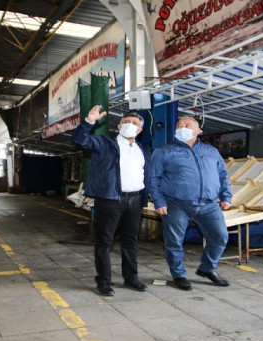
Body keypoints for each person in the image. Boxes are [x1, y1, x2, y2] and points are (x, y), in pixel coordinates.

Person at [71, 105, 150, 296]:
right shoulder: (105, 143)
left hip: (136, 200)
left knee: (130, 241)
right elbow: (79, 140)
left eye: (135, 124)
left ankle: (131, 279)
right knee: (104, 241)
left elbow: (146, 174)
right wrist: (89, 121)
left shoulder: (143, 149)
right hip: (111, 199)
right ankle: (104, 281)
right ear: (119, 125)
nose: (130, 125)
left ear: (140, 130)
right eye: (127, 122)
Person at [149, 116, 232, 291]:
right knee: (174, 242)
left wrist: (226, 196)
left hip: (209, 204)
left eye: (187, 125)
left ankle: (208, 268)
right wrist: (158, 201)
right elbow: (153, 178)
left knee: (220, 237)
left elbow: (223, 174)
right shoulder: (164, 151)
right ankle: (179, 274)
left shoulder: (211, 151)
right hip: (176, 204)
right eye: (179, 125)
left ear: (198, 130)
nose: (182, 128)